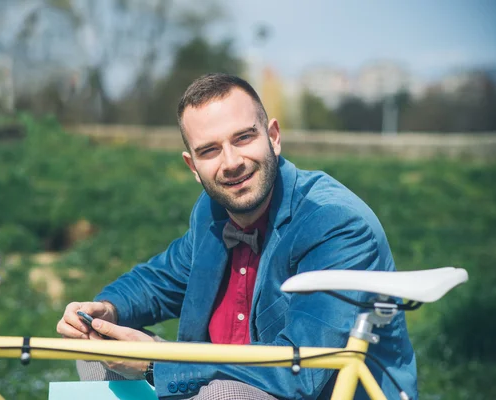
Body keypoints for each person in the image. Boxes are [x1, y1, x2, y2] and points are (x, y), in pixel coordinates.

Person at [57, 73, 418, 399]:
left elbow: (305, 371)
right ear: (193, 166)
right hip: (223, 380)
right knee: (98, 358)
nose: (231, 162)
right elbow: (160, 280)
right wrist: (103, 313)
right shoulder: (212, 211)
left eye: (243, 138)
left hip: (304, 389)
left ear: (273, 137)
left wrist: (156, 364)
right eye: (210, 150)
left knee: (222, 396)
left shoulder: (333, 222)